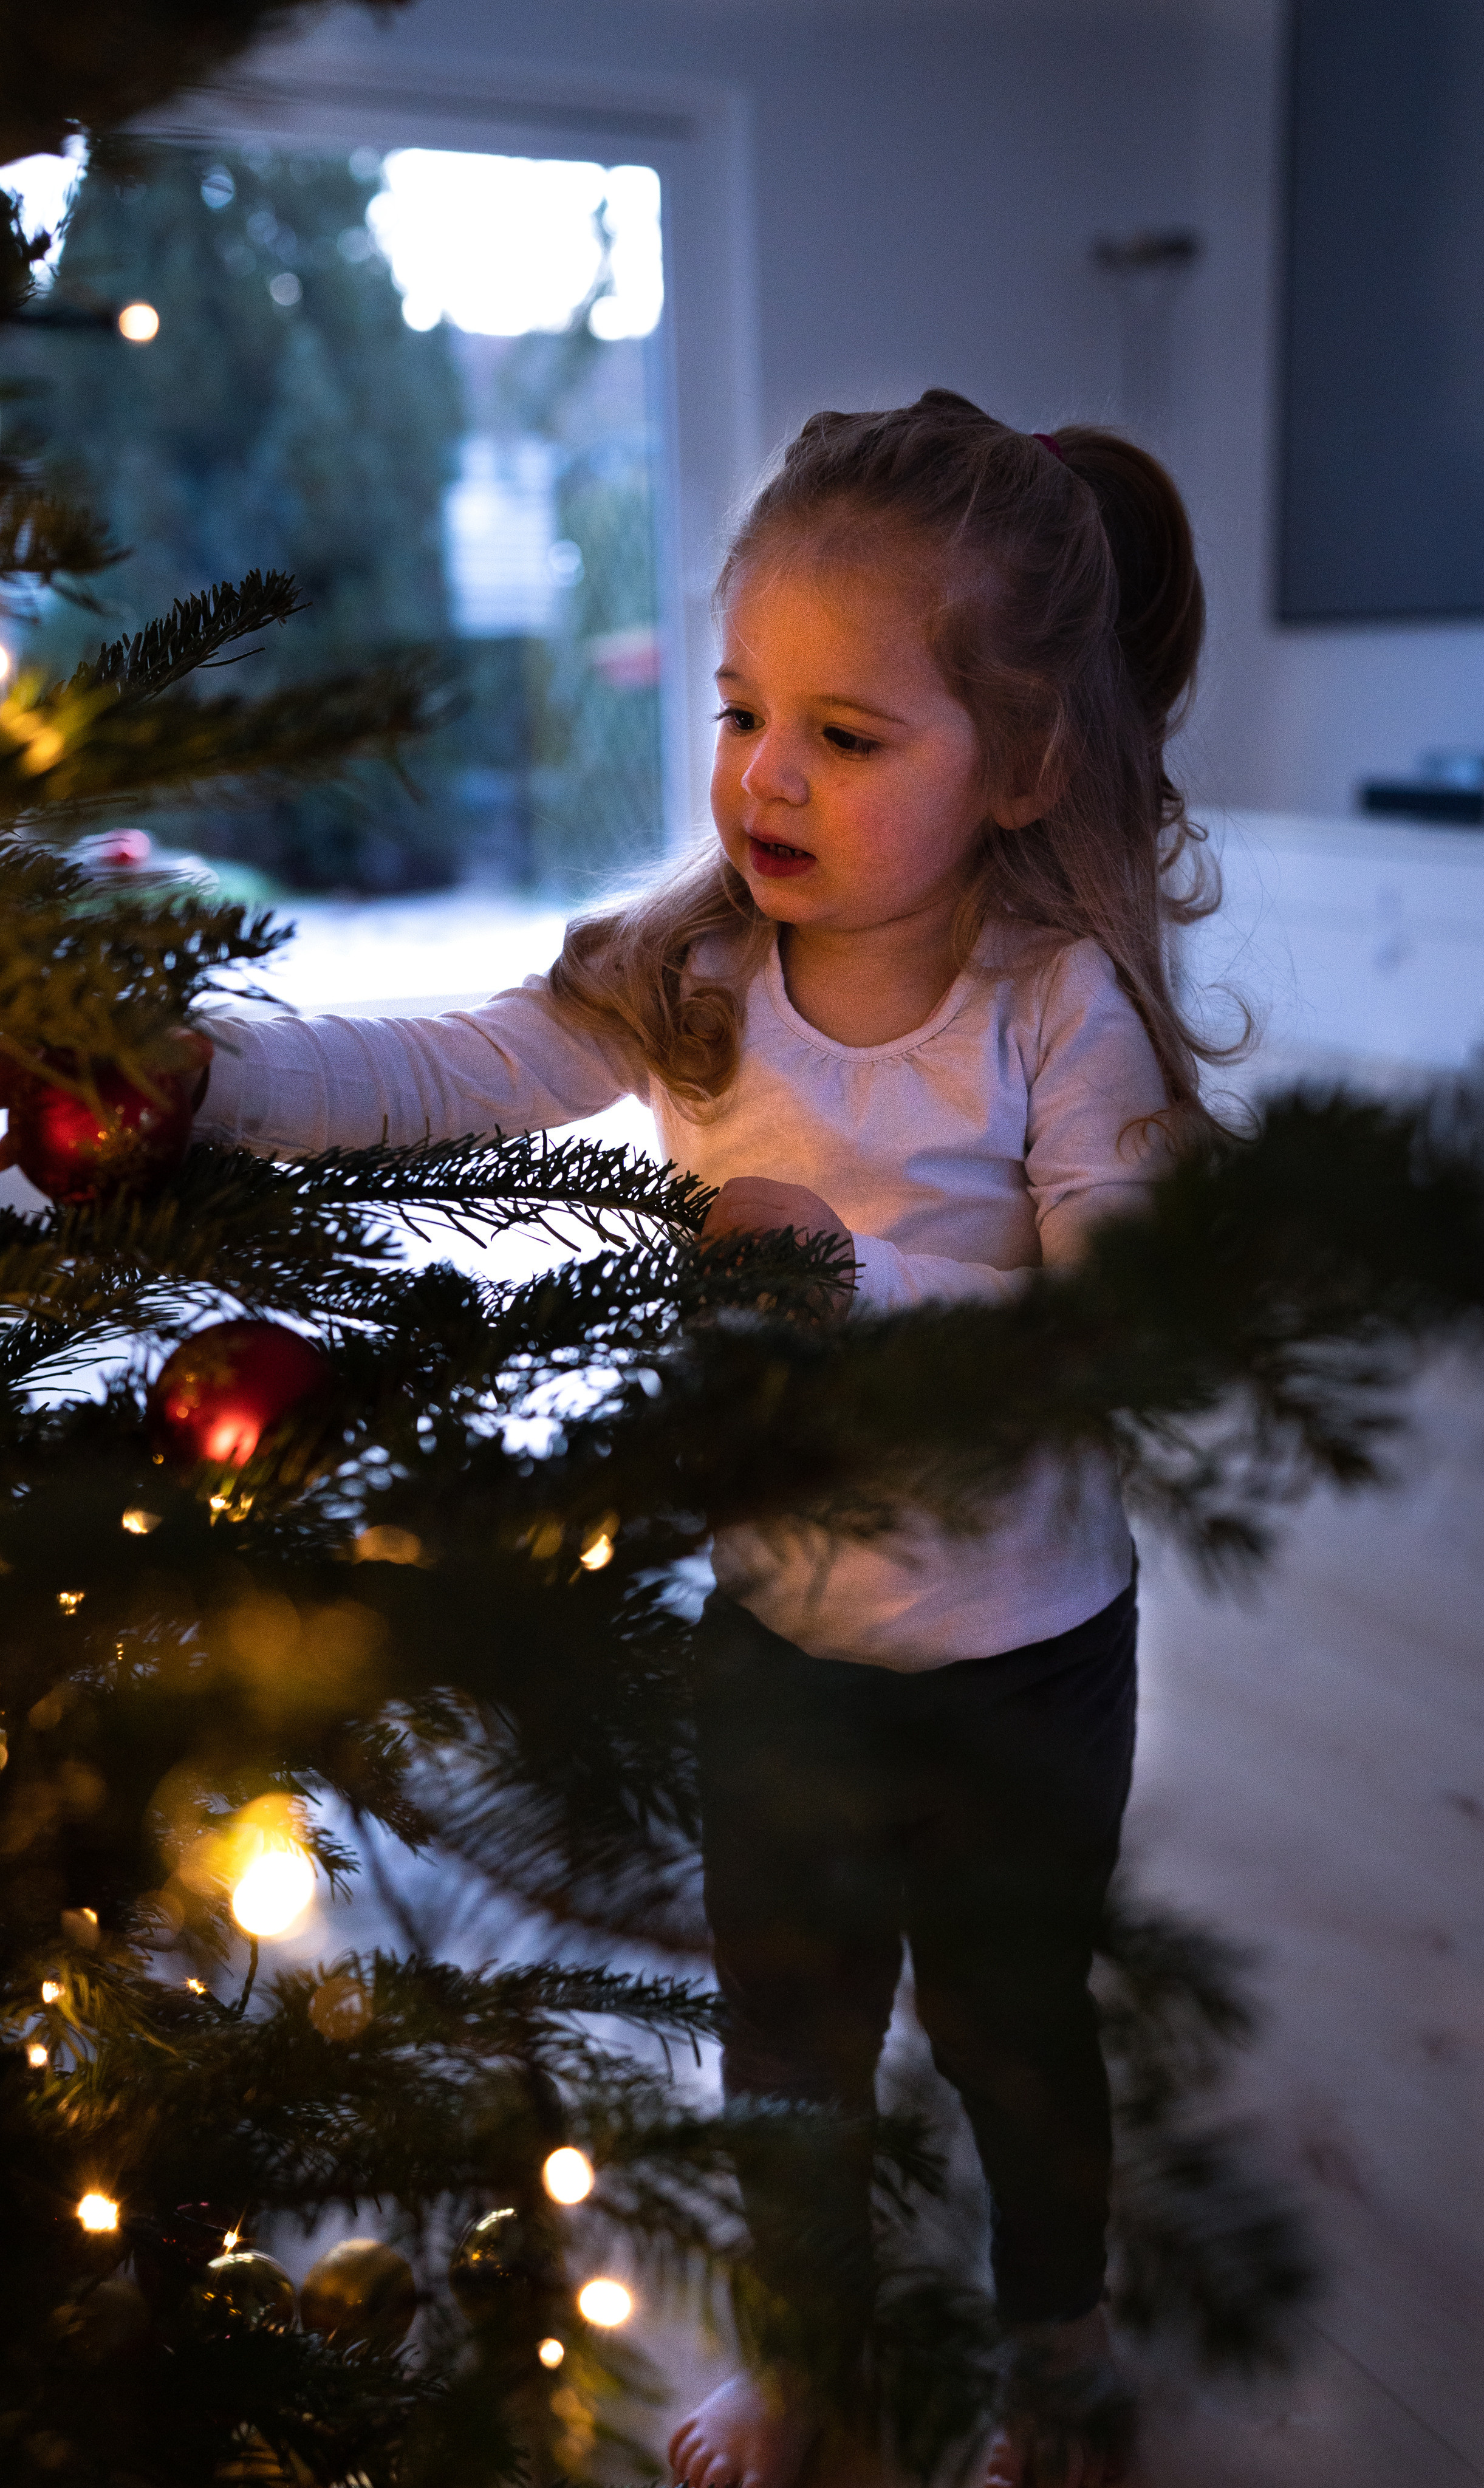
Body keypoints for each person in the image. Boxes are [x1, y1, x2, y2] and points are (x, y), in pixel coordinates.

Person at [190, 392, 1223, 2488]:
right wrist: (190, 1073)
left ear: (1019, 765)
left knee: (1016, 2044)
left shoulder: (1052, 1012)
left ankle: (1058, 2354)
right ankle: (814, 2366)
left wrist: (850, 1278)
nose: (764, 772)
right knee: (789, 2058)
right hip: (771, 1641)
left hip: (1021, 1665)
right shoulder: (696, 975)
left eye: (848, 737)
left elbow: (1134, 1332)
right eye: (745, 709)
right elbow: (448, 1065)